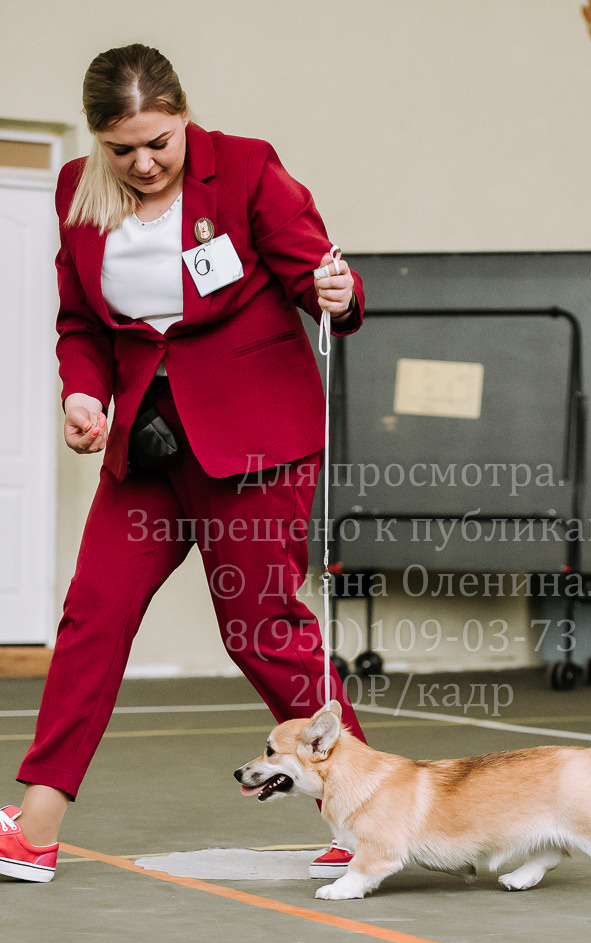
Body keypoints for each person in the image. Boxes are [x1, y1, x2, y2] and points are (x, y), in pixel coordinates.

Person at [0, 43, 365, 884]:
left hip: (255, 442)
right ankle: (38, 826)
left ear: (182, 116)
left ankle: (366, 808)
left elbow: (319, 278)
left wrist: (340, 296)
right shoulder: (77, 194)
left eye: (158, 142)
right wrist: (83, 395)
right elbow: (79, 325)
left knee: (260, 633)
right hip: (149, 448)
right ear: (99, 140)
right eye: (122, 148)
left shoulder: (244, 169)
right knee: (92, 616)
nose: (143, 163)